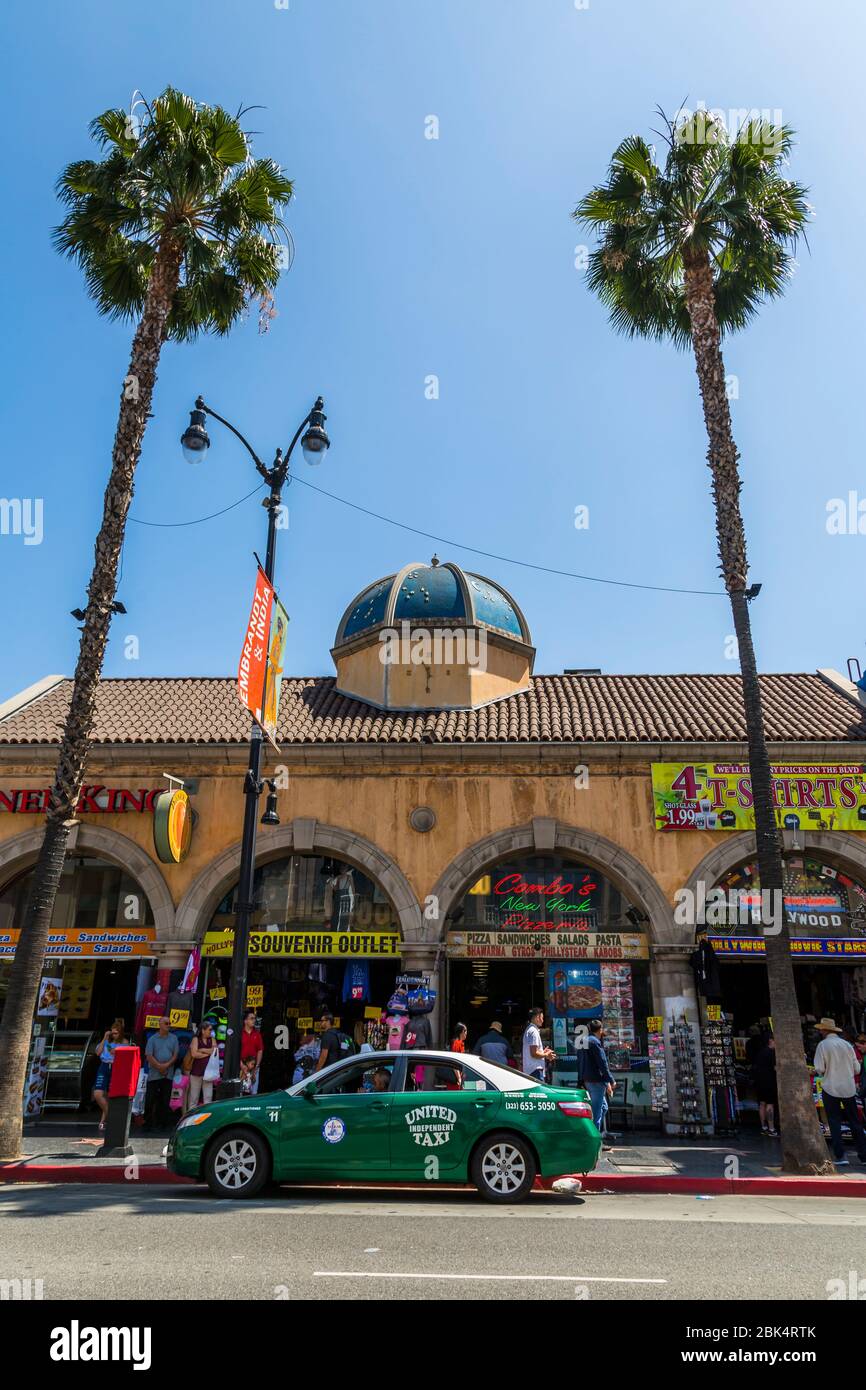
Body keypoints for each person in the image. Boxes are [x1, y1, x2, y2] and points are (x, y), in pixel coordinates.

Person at [813, 1017, 866, 1166]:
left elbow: (820, 1069)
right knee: (855, 1122)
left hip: (830, 1087)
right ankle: (863, 1155)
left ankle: (841, 1156)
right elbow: (857, 1068)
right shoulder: (848, 1045)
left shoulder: (823, 1045)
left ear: (824, 1030)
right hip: (848, 1088)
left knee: (834, 1122)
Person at [577, 1018, 615, 1134]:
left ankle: (593, 1136)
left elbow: (580, 1062)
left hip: (588, 1080)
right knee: (596, 1114)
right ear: (600, 1030)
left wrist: (581, 1080)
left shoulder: (583, 1041)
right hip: (596, 1081)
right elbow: (602, 1063)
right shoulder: (595, 1043)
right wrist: (610, 1080)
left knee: (603, 1107)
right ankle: (594, 1143)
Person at [143, 1015, 178, 1131]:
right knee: (150, 1100)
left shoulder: (174, 1038)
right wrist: (159, 1067)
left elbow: (175, 1055)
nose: (169, 1026)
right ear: (160, 1024)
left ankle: (162, 1124)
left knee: (164, 1100)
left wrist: (165, 1066)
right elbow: (149, 1055)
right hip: (154, 1074)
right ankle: (147, 1123)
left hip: (168, 1074)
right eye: (166, 1023)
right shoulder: (152, 1039)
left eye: (169, 1023)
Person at [92, 1019, 126, 1131]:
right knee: (98, 1094)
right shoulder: (107, 1041)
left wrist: (118, 1052)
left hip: (116, 1067)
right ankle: (110, 1116)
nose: (114, 1035)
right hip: (104, 1066)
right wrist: (105, 1038)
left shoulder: (124, 1042)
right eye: (112, 1033)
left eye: (116, 1033)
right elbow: (98, 1052)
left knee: (111, 1095)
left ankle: (104, 1120)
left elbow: (126, 1056)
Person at [185, 1021, 218, 1112]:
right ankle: (191, 1118)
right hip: (196, 1072)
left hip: (208, 1073)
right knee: (194, 1098)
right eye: (209, 1029)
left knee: (208, 1097)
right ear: (203, 1030)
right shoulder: (195, 1039)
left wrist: (202, 1050)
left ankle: (206, 1118)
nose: (211, 1032)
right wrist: (208, 1053)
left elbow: (215, 1052)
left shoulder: (212, 1039)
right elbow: (194, 1054)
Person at [752, 1033, 778, 1137]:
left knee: (762, 1104)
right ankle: (771, 1129)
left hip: (759, 1081)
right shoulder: (772, 1053)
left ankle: (764, 1127)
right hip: (769, 1081)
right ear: (771, 1040)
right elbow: (775, 1068)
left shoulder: (761, 1052)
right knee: (770, 1105)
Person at [522, 1007, 555, 1082]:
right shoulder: (534, 1031)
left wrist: (543, 1052)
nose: (543, 1021)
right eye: (542, 1018)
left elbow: (533, 1052)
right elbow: (534, 1053)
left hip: (530, 1069)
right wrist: (546, 1055)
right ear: (537, 1017)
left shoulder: (529, 1030)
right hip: (535, 1070)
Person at [239, 1009, 264, 1095]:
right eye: (251, 1018)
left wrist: (256, 1067)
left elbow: (260, 1050)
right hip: (241, 1066)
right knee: (239, 1091)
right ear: (245, 1021)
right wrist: (241, 1065)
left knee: (254, 1092)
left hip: (254, 1067)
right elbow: (236, 1050)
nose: (254, 1020)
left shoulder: (257, 1034)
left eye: (254, 1018)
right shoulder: (240, 1033)